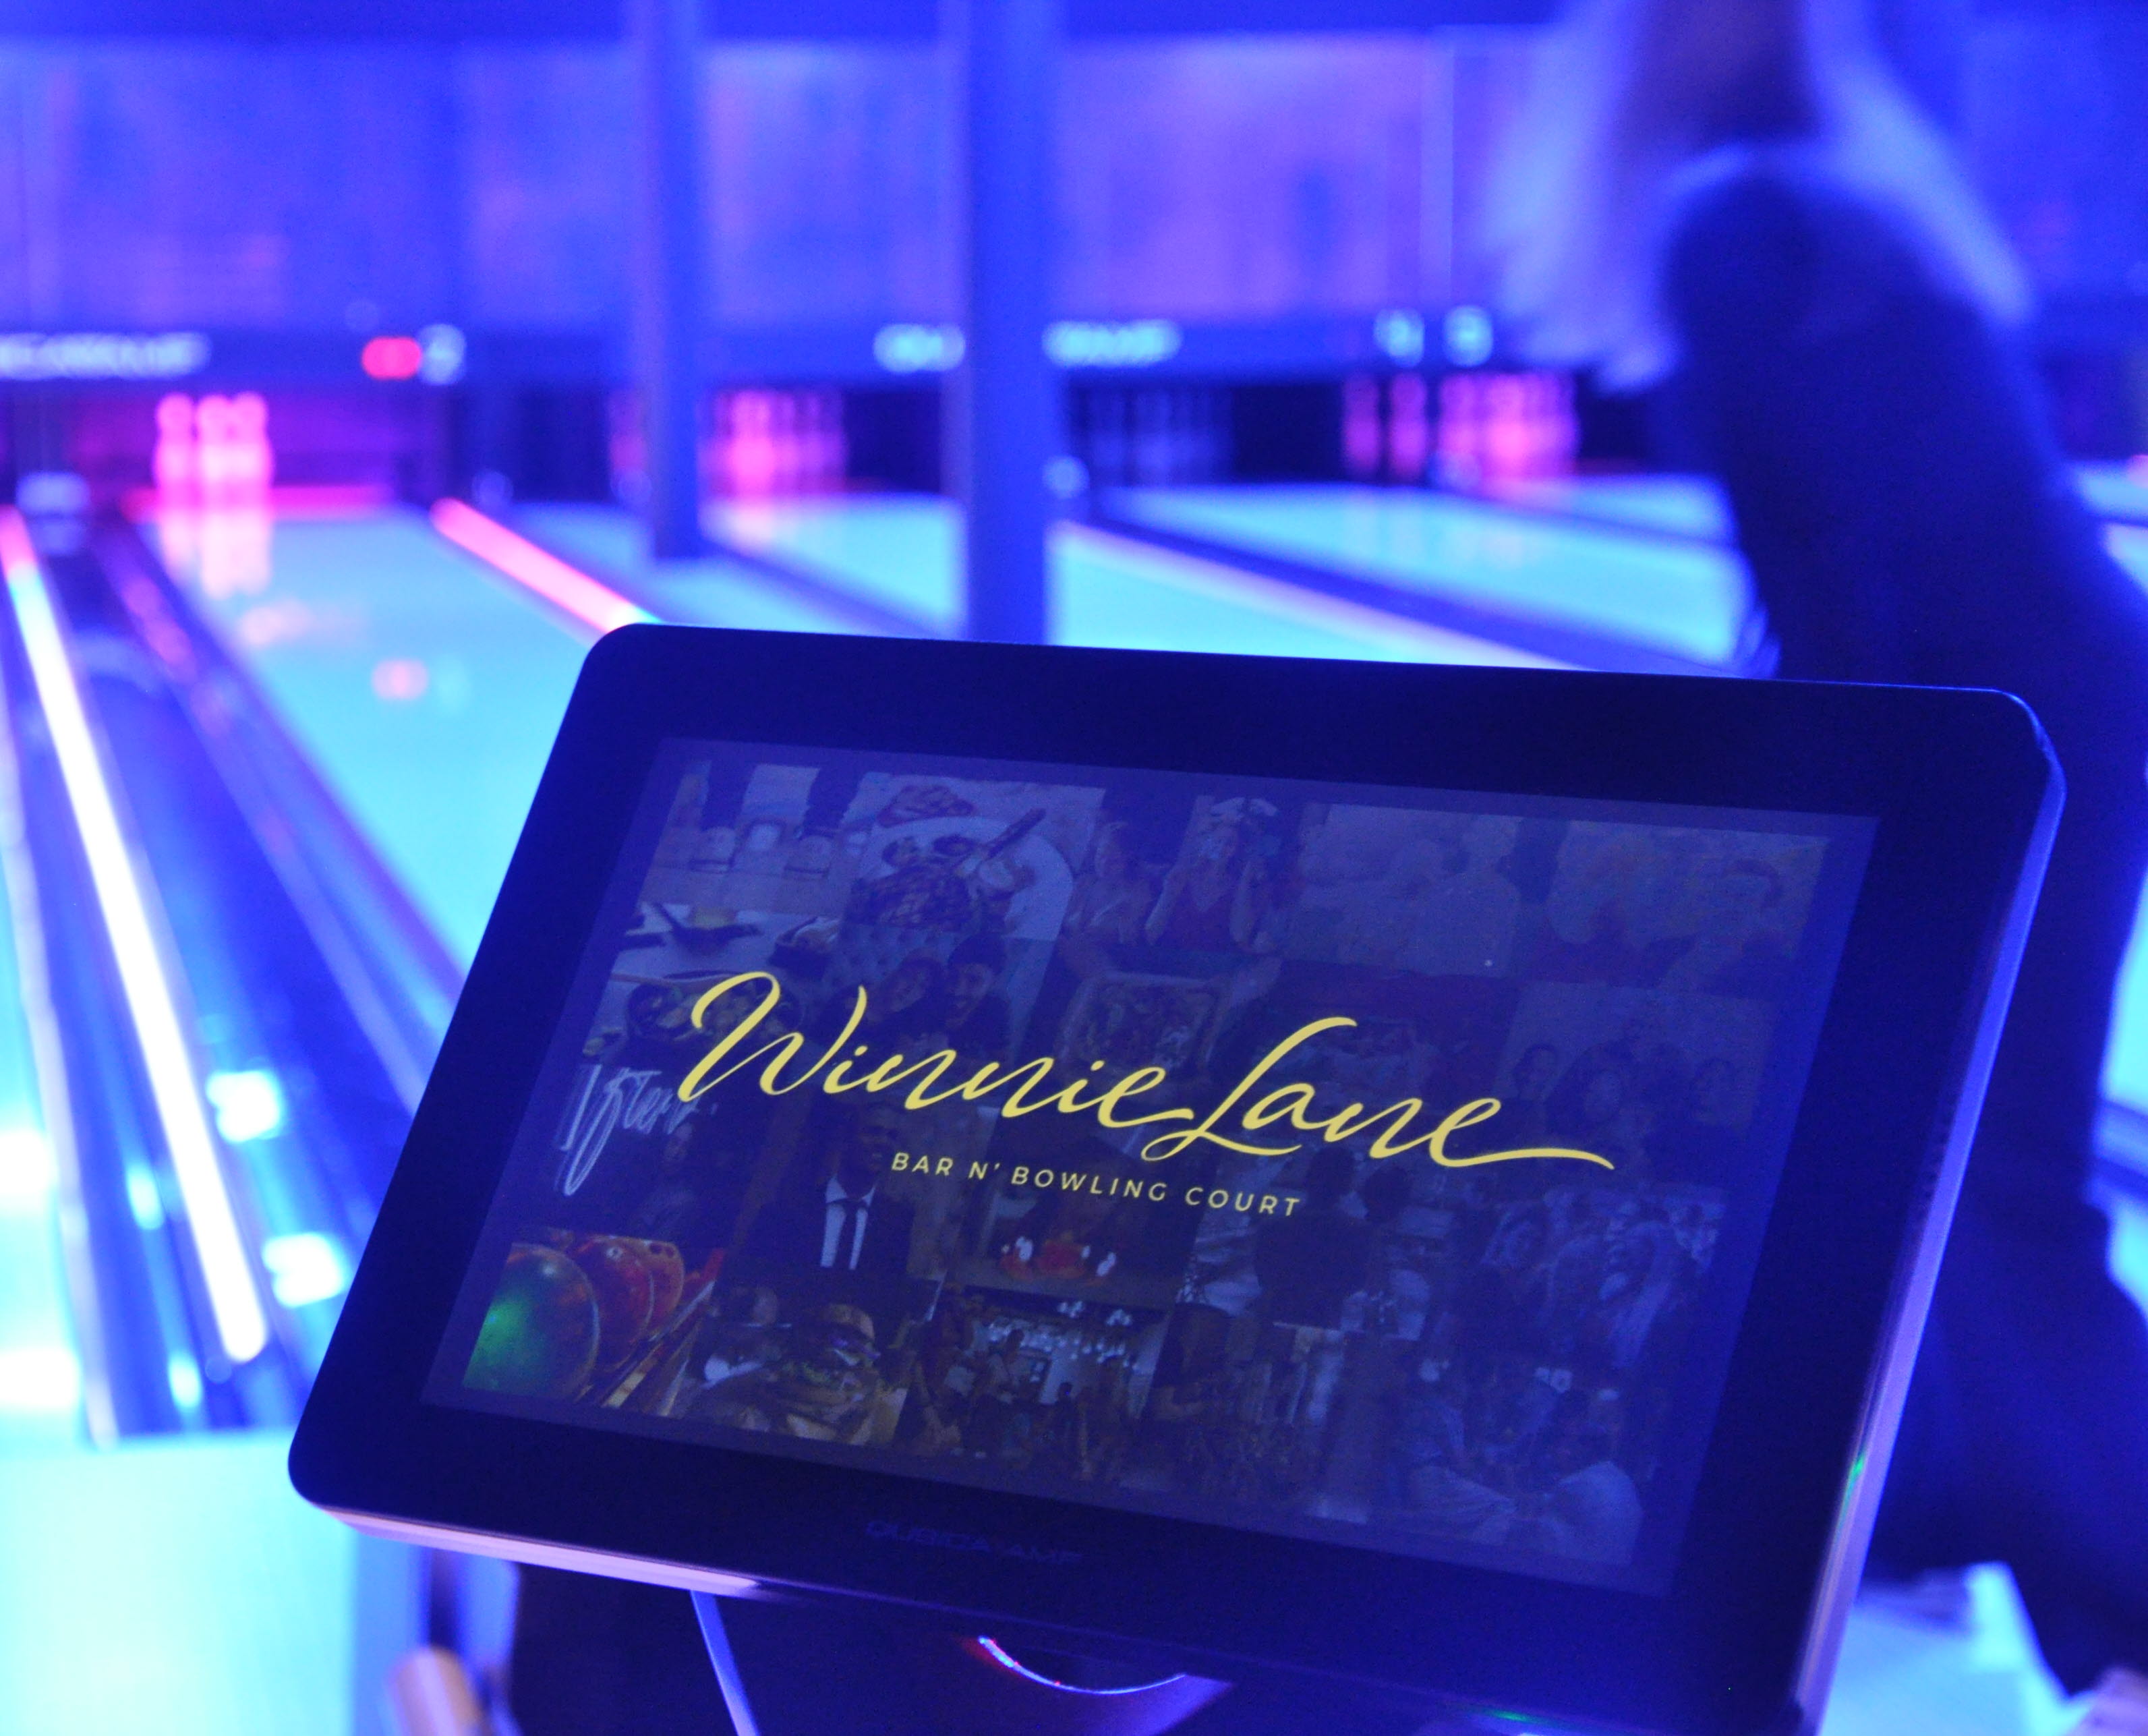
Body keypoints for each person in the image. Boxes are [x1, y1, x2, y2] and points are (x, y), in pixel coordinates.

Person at [1497, 0, 2148, 1714]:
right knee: (1908, 1162)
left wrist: (1801, 815)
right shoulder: (1831, 192)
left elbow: (1853, 579)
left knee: (1999, 1195)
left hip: (2009, 729)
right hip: (2049, 698)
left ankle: (2135, 1616)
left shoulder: (1738, 224)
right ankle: (1932, 1506)